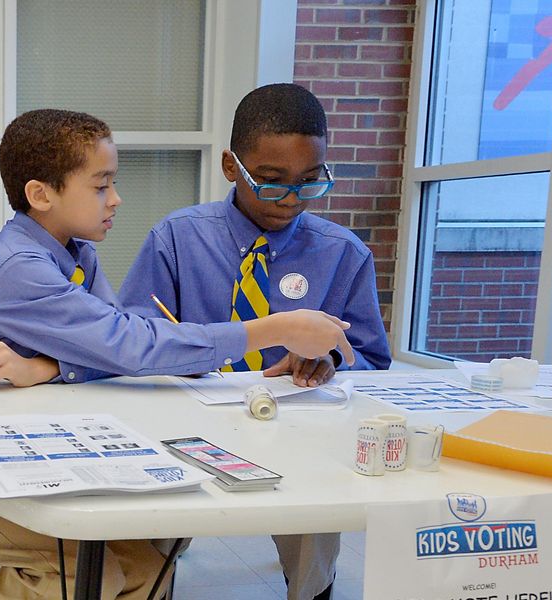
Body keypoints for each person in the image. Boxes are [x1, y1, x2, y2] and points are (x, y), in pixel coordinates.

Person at [0, 108, 356, 600]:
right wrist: (274, 328)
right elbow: (131, 343)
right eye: (101, 186)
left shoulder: (79, 255)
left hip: (28, 450)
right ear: (41, 195)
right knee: (88, 578)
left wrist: (49, 367)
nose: (115, 200)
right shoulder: (17, 265)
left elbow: (113, 348)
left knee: (146, 574)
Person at [117, 83, 392, 600]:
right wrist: (178, 357)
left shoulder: (343, 254)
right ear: (231, 166)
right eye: (270, 182)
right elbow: (134, 337)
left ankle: (310, 591)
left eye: (310, 182)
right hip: (185, 424)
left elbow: (374, 358)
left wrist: (331, 358)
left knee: (316, 521)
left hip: (299, 431)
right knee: (144, 545)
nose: (290, 199)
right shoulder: (176, 239)